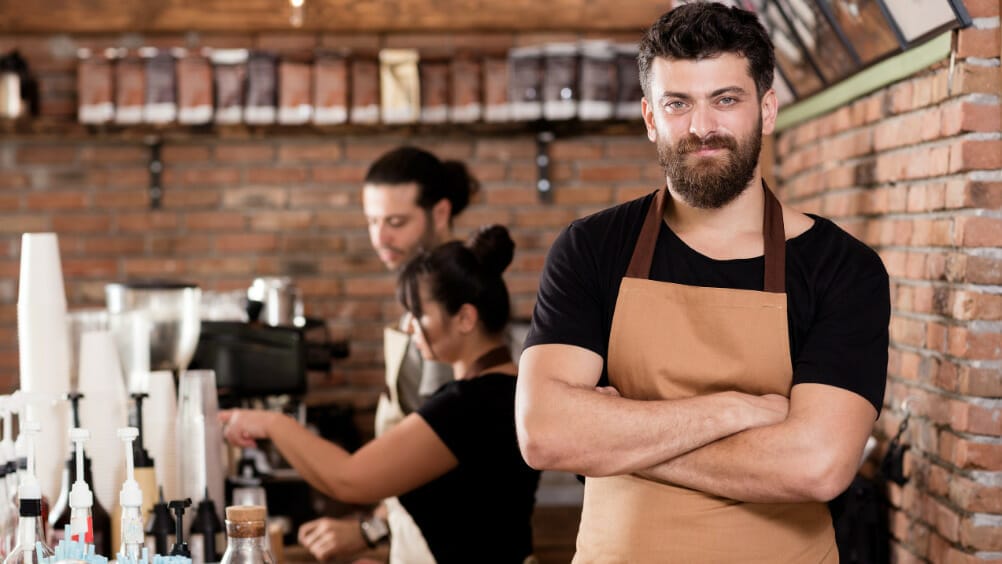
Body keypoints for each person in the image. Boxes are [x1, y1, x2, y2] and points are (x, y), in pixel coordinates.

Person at [514, 3, 890, 562]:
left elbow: (817, 467)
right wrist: (733, 410)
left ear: (766, 110)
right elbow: (544, 433)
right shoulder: (592, 248)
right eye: (677, 104)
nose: (702, 127)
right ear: (649, 118)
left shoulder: (843, 268)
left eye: (726, 100)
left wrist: (615, 440)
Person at [221, 226, 541, 564]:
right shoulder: (506, 389)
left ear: (464, 318)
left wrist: (271, 424)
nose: (408, 327)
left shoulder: (469, 404)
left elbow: (348, 479)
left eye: (419, 314)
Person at [297, 146, 478, 561]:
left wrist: (370, 529)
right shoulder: (419, 303)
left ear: (439, 213)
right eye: (372, 222)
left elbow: (436, 456)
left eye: (396, 222)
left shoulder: (450, 312)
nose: (380, 238)